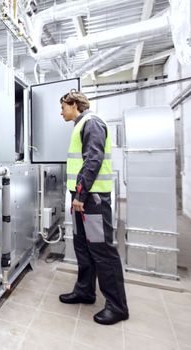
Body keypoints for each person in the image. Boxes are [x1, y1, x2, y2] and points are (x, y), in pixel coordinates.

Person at [59, 90, 129, 325]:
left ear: (74, 104)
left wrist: (80, 194)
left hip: (91, 198)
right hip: (81, 198)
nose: (61, 112)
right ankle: (85, 291)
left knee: (101, 250)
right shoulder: (80, 125)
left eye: (63, 107)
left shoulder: (92, 123)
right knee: (82, 246)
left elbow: (93, 161)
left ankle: (117, 306)